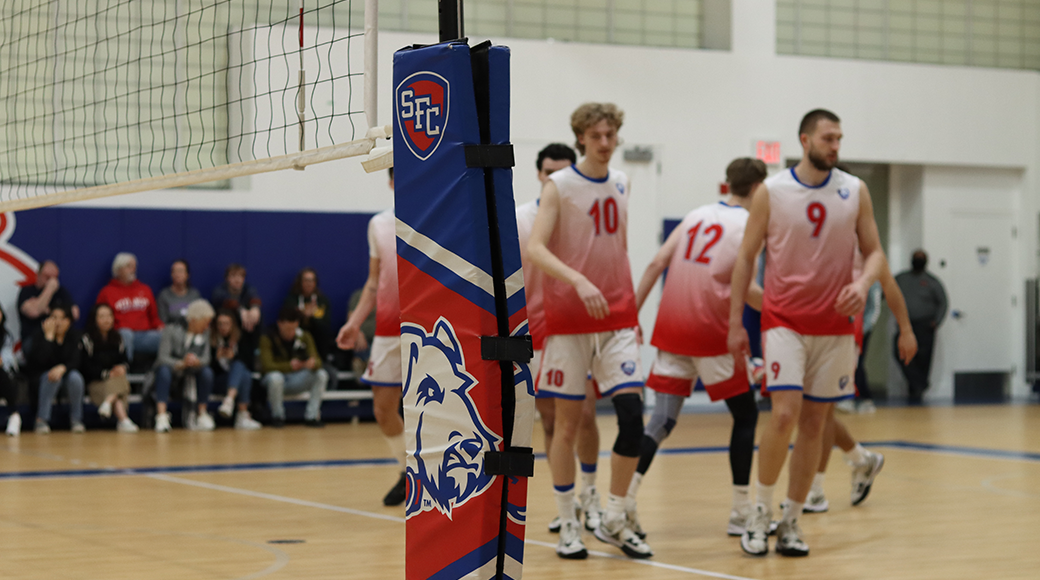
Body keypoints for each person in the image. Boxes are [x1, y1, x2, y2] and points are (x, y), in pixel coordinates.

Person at [729, 109, 887, 558]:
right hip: (785, 322)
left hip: (835, 326)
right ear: (805, 140)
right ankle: (760, 512)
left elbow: (875, 253)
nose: (835, 145)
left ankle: (792, 519)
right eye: (827, 137)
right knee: (783, 415)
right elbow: (745, 258)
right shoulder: (773, 191)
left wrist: (861, 283)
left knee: (816, 423)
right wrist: (734, 323)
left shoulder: (854, 190)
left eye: (839, 138)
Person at [528, 103, 652, 560]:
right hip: (568, 321)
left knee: (632, 417)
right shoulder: (559, 186)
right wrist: (578, 280)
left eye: (611, 134)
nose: (605, 142)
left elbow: (614, 249)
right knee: (566, 423)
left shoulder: (622, 181)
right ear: (581, 137)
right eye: (596, 135)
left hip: (617, 318)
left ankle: (615, 515)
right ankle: (567, 520)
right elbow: (537, 249)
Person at [625, 158, 767, 540]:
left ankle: (624, 502)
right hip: (712, 332)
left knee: (661, 421)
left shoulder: (696, 215)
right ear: (758, 189)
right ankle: (740, 510)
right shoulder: (750, 226)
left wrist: (631, 315)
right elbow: (748, 288)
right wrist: (780, 311)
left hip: (672, 328)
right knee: (746, 416)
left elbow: (656, 262)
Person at [517, 143, 607, 533]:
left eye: (562, 172)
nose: (554, 179)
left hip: (575, 328)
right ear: (539, 175)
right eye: (549, 172)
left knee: (585, 413)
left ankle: (591, 495)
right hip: (534, 334)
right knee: (552, 423)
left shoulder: (586, 219)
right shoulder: (518, 220)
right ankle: (565, 501)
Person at [791, 267, 917, 513]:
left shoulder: (858, 241)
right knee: (811, 412)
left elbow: (887, 283)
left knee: (821, 411)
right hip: (811, 327)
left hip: (845, 332)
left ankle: (815, 490)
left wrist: (906, 329)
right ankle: (862, 459)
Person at [337, 167, 407, 506]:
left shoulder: (437, 221)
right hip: (389, 329)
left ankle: (435, 476)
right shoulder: (378, 224)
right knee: (382, 409)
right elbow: (372, 282)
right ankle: (409, 471)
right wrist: (354, 323)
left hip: (428, 330)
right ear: (392, 182)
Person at [152, 299, 215, 433]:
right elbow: (162, 357)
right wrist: (180, 363)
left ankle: (202, 414)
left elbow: (206, 358)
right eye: (205, 323)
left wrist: (197, 361)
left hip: (192, 372)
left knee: (207, 372)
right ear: (194, 320)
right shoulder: (171, 330)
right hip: (173, 372)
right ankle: (161, 416)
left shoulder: (205, 333)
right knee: (163, 371)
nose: (206, 327)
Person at [895, 249, 948, 405]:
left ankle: (916, 391)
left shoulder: (932, 281)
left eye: (921, 258)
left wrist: (936, 322)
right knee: (900, 354)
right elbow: (886, 291)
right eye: (916, 258)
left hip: (925, 326)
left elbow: (943, 303)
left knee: (923, 359)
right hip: (905, 325)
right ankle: (920, 384)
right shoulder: (901, 278)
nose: (918, 260)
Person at [263, 306, 327, 428]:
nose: (290, 333)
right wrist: (290, 366)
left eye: (293, 329)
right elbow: (266, 366)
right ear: (279, 324)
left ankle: (312, 416)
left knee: (321, 375)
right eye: (287, 329)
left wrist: (312, 364)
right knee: (275, 378)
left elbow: (318, 361)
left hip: (296, 379)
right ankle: (278, 416)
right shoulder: (267, 337)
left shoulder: (305, 336)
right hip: (275, 381)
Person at [81, 303, 139, 433]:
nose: (107, 319)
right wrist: (107, 374)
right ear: (94, 319)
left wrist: (122, 367)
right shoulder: (87, 339)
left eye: (109, 316)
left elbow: (126, 361)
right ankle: (123, 419)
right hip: (96, 383)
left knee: (120, 378)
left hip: (114, 380)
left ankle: (111, 407)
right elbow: (85, 367)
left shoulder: (118, 338)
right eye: (102, 316)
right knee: (120, 387)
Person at [95, 252, 163, 362]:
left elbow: (154, 318)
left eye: (134, 266)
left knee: (166, 338)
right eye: (129, 266)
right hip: (119, 335)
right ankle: (125, 371)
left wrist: (161, 327)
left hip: (144, 336)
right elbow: (99, 318)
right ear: (118, 270)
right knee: (126, 335)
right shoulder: (107, 292)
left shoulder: (145, 290)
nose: (133, 269)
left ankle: (160, 372)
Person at [28, 305, 84, 434]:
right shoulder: (39, 336)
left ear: (68, 321)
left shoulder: (75, 337)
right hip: (43, 378)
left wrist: (63, 368)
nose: (57, 322)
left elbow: (77, 361)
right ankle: (41, 420)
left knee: (76, 377)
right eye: (53, 318)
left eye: (61, 318)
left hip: (67, 375)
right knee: (52, 377)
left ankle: (76, 420)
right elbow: (39, 362)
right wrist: (49, 337)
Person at [285, 267, 337, 391]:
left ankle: (321, 362)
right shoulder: (291, 300)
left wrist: (311, 317)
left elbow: (326, 326)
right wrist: (302, 315)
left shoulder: (322, 301)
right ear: (300, 282)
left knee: (329, 374)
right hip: (296, 347)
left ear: (315, 283)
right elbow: (287, 323)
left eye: (311, 280)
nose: (309, 283)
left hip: (318, 346)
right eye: (306, 280)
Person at [211, 309, 262, 430]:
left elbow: (249, 363)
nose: (223, 327)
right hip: (218, 381)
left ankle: (230, 401)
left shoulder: (241, 338)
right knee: (243, 373)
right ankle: (241, 414)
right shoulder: (211, 339)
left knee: (243, 371)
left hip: (236, 381)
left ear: (233, 325)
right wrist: (216, 359)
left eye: (227, 323)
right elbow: (208, 369)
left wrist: (234, 356)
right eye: (220, 324)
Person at [18, 260, 79, 354]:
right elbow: (34, 312)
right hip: (34, 340)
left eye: (54, 278)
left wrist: (48, 310)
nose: (52, 281)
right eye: (47, 277)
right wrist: (49, 289)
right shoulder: (27, 292)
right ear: (38, 275)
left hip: (58, 339)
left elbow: (74, 314)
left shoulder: (61, 292)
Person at [212, 263, 263, 369]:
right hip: (223, 328)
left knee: (258, 317)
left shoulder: (248, 289)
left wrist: (255, 308)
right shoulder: (220, 290)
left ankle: (256, 353)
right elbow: (226, 301)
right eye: (233, 276)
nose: (237, 279)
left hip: (244, 326)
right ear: (227, 278)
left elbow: (255, 298)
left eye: (241, 276)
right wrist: (241, 310)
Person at [157, 259, 202, 327]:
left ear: (187, 275)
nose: (177, 274)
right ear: (171, 275)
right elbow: (162, 321)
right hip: (171, 332)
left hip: (191, 331)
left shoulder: (194, 295)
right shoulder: (164, 295)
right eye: (175, 271)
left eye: (180, 271)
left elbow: (200, 318)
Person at [2, 304, 24, 437]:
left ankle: (14, 416)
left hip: (2, 371)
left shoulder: (6, 336)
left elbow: (8, 357)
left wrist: (2, 361)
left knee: (4, 377)